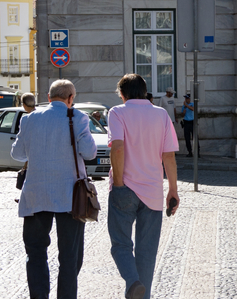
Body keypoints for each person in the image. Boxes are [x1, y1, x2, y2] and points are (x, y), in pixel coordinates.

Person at [10, 79, 96, 299]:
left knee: (36, 251)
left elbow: (17, 154)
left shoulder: (29, 119)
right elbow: (90, 153)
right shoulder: (78, 118)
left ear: (48, 98)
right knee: (69, 256)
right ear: (71, 99)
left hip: (36, 195)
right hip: (70, 197)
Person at [107, 74, 179, 299]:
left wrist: (118, 184)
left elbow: (117, 149)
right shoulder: (161, 115)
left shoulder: (117, 112)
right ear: (145, 91)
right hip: (153, 190)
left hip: (125, 187)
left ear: (122, 94)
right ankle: (141, 294)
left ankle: (132, 282)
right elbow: (169, 156)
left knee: (120, 244)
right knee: (147, 253)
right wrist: (173, 190)